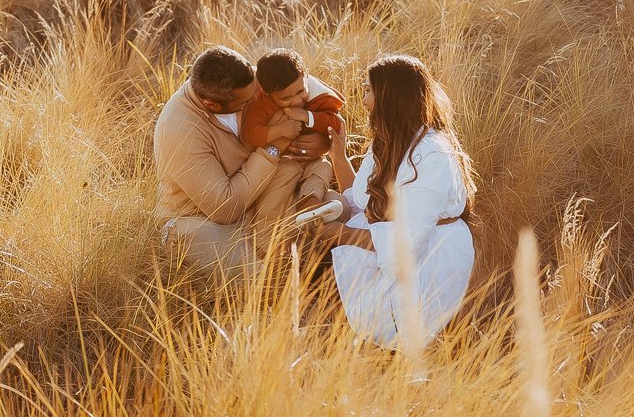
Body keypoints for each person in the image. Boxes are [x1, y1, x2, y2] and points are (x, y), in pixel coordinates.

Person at [329, 54, 477, 350]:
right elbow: (361, 202)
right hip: (388, 247)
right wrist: (338, 156)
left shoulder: (432, 155)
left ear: (389, 97)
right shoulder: (387, 142)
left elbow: (404, 244)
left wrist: (339, 234)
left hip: (430, 256)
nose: (364, 100)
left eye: (368, 91)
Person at [153, 45, 313, 273]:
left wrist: (317, 135)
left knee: (334, 212)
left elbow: (309, 88)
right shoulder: (179, 129)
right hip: (200, 221)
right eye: (246, 103)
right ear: (212, 105)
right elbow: (226, 208)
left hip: (257, 200)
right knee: (258, 278)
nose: (256, 96)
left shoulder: (248, 81)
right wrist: (274, 148)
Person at [239, 47, 345, 207]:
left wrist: (306, 116)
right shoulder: (261, 103)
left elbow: (335, 123)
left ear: (306, 76)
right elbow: (250, 133)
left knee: (323, 167)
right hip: (281, 162)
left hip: (311, 159)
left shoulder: (319, 96)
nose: (296, 101)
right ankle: (269, 222)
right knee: (280, 186)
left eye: (300, 91)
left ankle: (310, 202)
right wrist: (280, 130)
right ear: (267, 94)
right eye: (285, 98)